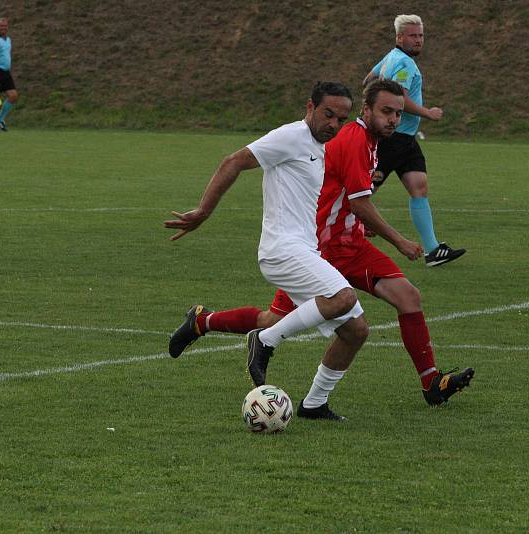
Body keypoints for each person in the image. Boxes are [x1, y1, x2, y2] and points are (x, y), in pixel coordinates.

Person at [169, 80, 475, 406]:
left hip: (333, 245)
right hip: (314, 249)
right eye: (386, 112)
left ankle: (412, 385)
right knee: (298, 313)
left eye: (399, 114)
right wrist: (203, 212)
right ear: (364, 110)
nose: (394, 120)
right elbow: (236, 162)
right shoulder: (320, 138)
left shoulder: (338, 143)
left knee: (372, 319)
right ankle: (242, 334)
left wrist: (354, 223)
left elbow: (335, 196)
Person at [164, 82, 368, 421]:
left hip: (304, 251)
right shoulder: (291, 136)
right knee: (342, 298)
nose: (333, 124)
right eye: (328, 114)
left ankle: (314, 405)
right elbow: (234, 161)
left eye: (341, 119)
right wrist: (203, 211)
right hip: (282, 251)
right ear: (309, 107)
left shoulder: (319, 148)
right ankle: (266, 340)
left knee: (356, 331)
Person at [361, 14, 466, 267]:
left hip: (405, 139)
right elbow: (401, 100)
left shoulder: (391, 57)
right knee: (364, 190)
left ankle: (432, 251)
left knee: (419, 187)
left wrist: (372, 102)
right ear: (400, 37)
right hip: (392, 137)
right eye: (413, 36)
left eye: (420, 35)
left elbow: (368, 81)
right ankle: (335, 229)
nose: (418, 40)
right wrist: (427, 112)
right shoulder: (404, 63)